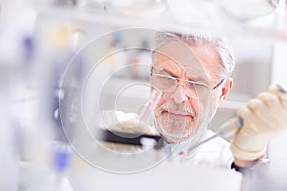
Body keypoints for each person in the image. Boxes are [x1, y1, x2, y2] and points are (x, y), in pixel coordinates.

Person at [109, 31, 287, 176]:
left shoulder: (229, 162)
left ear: (223, 92)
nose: (179, 97)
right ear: (151, 77)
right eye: (167, 78)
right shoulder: (110, 128)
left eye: (196, 84)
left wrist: (250, 161)